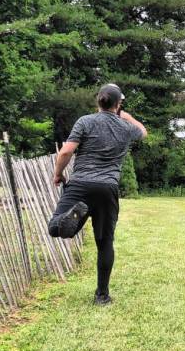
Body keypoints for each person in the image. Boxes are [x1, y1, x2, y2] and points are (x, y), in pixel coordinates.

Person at [48, 84, 147, 305]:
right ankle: (102, 296)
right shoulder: (125, 127)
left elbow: (66, 151)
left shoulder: (85, 121)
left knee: (54, 228)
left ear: (98, 102)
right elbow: (143, 131)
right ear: (118, 104)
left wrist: (58, 174)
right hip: (107, 188)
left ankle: (69, 219)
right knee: (105, 242)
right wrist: (127, 116)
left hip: (80, 184)